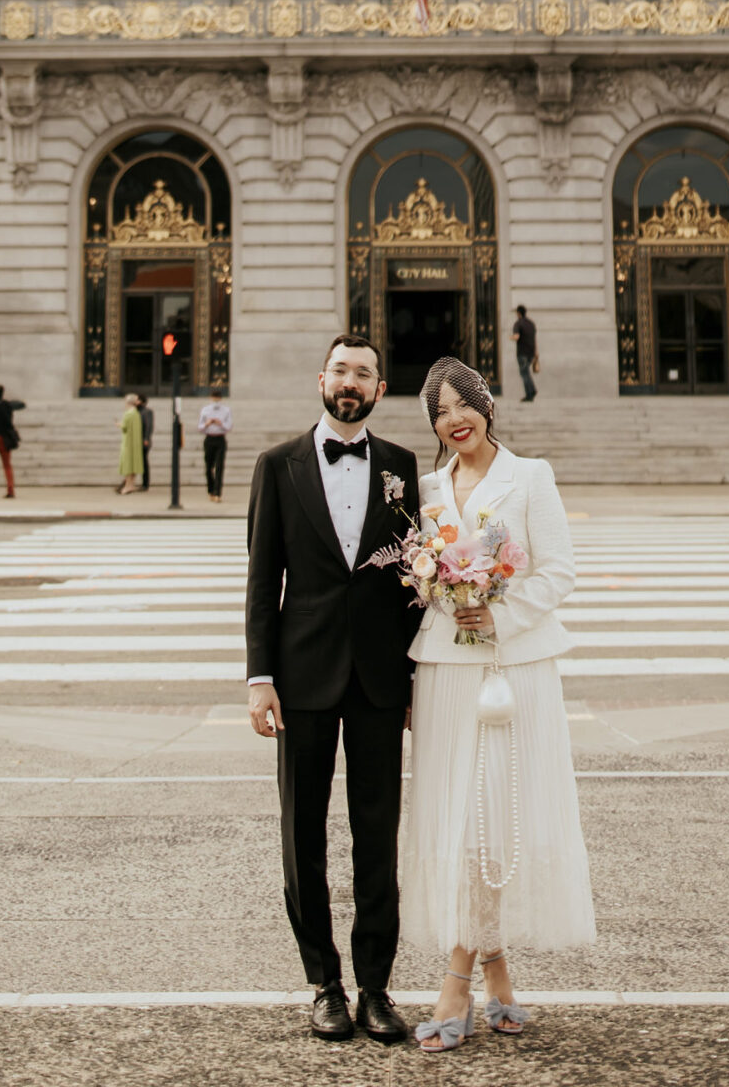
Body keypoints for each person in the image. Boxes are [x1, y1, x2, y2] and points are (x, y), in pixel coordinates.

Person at [401, 356, 595, 1049]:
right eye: (440, 413)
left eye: (463, 406)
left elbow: (560, 569)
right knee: (456, 820)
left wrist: (497, 611)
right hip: (446, 672)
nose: (454, 421)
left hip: (514, 671)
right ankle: (496, 973)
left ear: (487, 406)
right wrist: (440, 590)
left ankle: (455, 980)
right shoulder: (426, 488)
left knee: (494, 821)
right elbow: (419, 579)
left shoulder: (530, 476)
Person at [246, 335, 422, 1045]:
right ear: (321, 379)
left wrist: (417, 676)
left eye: (364, 374)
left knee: (378, 838)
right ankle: (323, 983)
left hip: (381, 676)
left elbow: (416, 581)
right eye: (341, 370)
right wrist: (259, 677)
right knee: (303, 836)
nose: (350, 383)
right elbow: (263, 581)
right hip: (302, 674)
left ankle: (376, 988)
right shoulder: (276, 465)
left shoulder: (404, 467)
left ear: (380, 389)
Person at [198, 387, 232, 501]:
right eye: (214, 398)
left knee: (219, 467)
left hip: (220, 439)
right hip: (209, 438)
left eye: (217, 398)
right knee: (208, 467)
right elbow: (200, 427)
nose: (216, 400)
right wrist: (208, 424)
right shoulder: (206, 410)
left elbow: (228, 426)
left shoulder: (226, 410)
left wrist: (220, 423)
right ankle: (211, 490)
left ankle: (218, 492)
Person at [117, 394, 145, 495]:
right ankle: (131, 484)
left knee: (128, 465)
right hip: (136, 443)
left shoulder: (128, 414)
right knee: (133, 464)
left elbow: (124, 427)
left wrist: (119, 424)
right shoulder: (136, 413)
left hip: (128, 443)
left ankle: (128, 486)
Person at [511, 305, 538, 403]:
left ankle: (530, 392)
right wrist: (536, 352)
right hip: (531, 352)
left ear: (518, 313)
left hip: (522, 353)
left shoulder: (518, 324)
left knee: (524, 373)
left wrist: (510, 337)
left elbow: (516, 336)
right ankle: (531, 391)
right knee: (526, 372)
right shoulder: (531, 324)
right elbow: (534, 339)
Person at [140, 393, 155, 493]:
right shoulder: (137, 411)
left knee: (144, 462)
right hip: (137, 440)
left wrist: (146, 438)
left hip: (144, 440)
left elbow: (149, 426)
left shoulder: (147, 412)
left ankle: (145, 483)